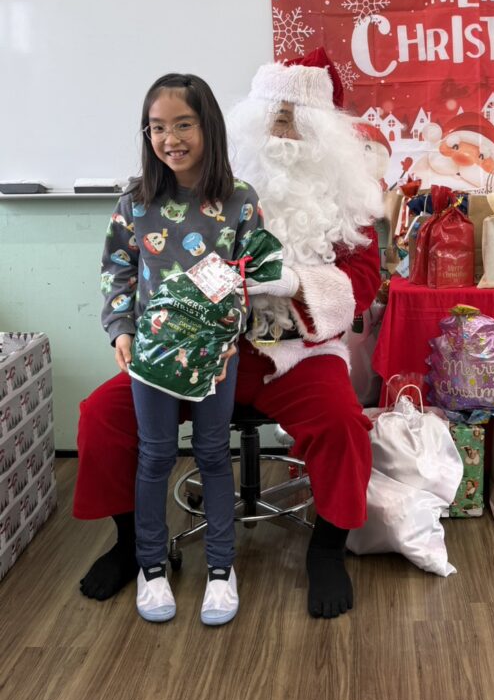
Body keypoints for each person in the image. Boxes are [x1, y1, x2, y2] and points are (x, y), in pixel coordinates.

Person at [75, 50, 384, 619]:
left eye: (296, 120)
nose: (282, 133)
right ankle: (130, 545)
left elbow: (364, 280)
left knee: (343, 425)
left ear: (327, 135)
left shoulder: (347, 201)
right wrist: (133, 326)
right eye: (274, 117)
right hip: (195, 347)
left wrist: (297, 284)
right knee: (102, 416)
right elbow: (130, 267)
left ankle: (326, 548)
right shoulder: (212, 181)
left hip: (294, 354)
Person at [101, 72, 257, 626]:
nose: (170, 139)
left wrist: (233, 331)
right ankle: (151, 567)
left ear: (207, 126)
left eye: (183, 125)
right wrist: (121, 330)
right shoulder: (135, 202)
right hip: (152, 355)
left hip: (215, 354)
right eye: (157, 128)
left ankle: (221, 568)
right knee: (156, 455)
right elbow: (117, 271)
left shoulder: (240, 200)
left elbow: (252, 276)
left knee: (213, 454)